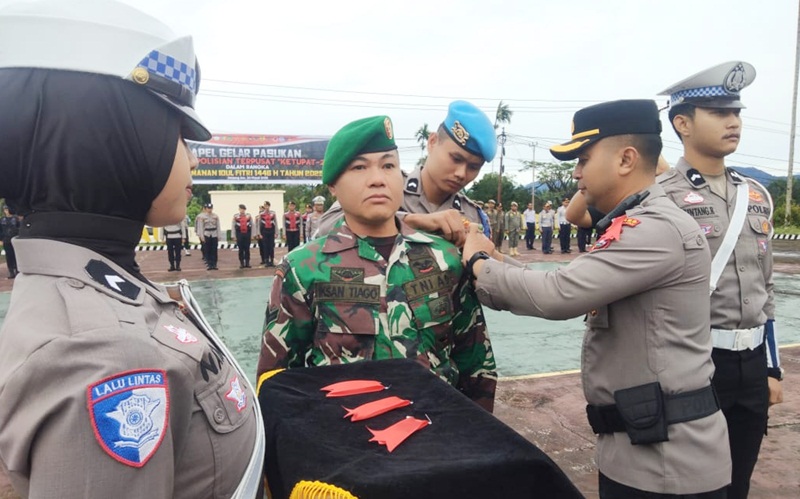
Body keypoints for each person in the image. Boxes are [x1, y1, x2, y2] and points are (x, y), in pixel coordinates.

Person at [0, 1, 264, 497]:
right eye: (179, 135)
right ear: (115, 137)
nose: (191, 157)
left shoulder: (94, 280)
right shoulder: (102, 354)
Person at [462, 99, 731, 497]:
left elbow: (557, 294)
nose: (576, 173)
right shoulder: (635, 223)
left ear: (625, 159)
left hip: (667, 467)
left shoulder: (654, 229)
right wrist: (497, 260)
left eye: (584, 159)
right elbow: (572, 280)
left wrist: (478, 262)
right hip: (642, 449)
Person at [257, 115, 497, 412]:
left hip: (440, 438)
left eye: (388, 165)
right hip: (346, 443)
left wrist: (476, 439)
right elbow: (276, 380)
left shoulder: (445, 260)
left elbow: (476, 365)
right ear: (333, 185)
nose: (378, 178)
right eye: (359, 167)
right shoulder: (302, 268)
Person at [658, 61, 783, 499]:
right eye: (718, 113)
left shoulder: (756, 195)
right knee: (691, 485)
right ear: (682, 123)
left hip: (751, 367)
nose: (734, 122)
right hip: (695, 364)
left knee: (738, 483)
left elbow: (765, 291)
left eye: (737, 112)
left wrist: (770, 368)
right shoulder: (661, 198)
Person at [315, 100, 497, 246]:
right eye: (456, 159)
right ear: (432, 142)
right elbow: (324, 229)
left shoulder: (473, 216)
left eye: (473, 167)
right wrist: (414, 221)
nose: (461, 173)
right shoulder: (386, 189)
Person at [198, 202, 220, 270]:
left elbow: (218, 226)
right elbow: (201, 227)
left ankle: (214, 264)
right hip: (206, 234)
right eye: (208, 208)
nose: (209, 210)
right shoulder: (202, 217)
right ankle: (209, 264)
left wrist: (219, 235)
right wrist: (201, 236)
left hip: (214, 234)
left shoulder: (215, 216)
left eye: (210, 208)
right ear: (206, 209)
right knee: (207, 250)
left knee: (214, 250)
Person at [1, 205, 20, 279]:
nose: (6, 211)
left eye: (7, 209)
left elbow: (19, 228)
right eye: (5, 210)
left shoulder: (16, 219)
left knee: (16, 255)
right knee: (9, 256)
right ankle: (11, 271)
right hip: (6, 240)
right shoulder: (2, 220)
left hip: (15, 240)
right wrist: (1, 239)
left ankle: (17, 271)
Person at [232, 203, 253, 269]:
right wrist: (233, 235)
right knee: (240, 249)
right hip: (239, 234)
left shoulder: (248, 216)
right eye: (241, 209)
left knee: (247, 249)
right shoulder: (236, 216)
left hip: (247, 234)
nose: (242, 210)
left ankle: (247, 262)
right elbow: (233, 226)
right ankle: (241, 263)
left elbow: (252, 225)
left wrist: (252, 235)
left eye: (243, 209)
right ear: (239, 209)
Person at [257, 201, 277, 266]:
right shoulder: (261, 214)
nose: (266, 207)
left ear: (269, 206)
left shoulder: (273, 213)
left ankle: (271, 260)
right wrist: (259, 233)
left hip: (271, 231)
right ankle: (266, 260)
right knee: (265, 246)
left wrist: (276, 232)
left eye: (268, 206)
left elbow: (276, 223)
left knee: (271, 246)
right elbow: (259, 224)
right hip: (264, 232)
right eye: (265, 206)